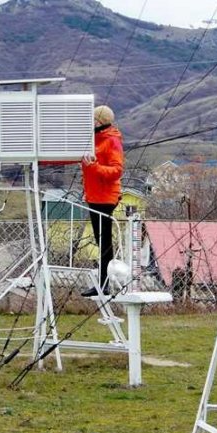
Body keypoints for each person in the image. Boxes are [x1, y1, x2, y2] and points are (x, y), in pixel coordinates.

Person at [81, 105, 124, 297]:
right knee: (101, 240)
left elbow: (116, 171)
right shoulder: (96, 139)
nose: (90, 123)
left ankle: (104, 283)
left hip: (105, 198)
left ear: (100, 121)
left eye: (93, 119)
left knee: (104, 241)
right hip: (94, 196)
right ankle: (103, 282)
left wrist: (94, 167)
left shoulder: (111, 141)